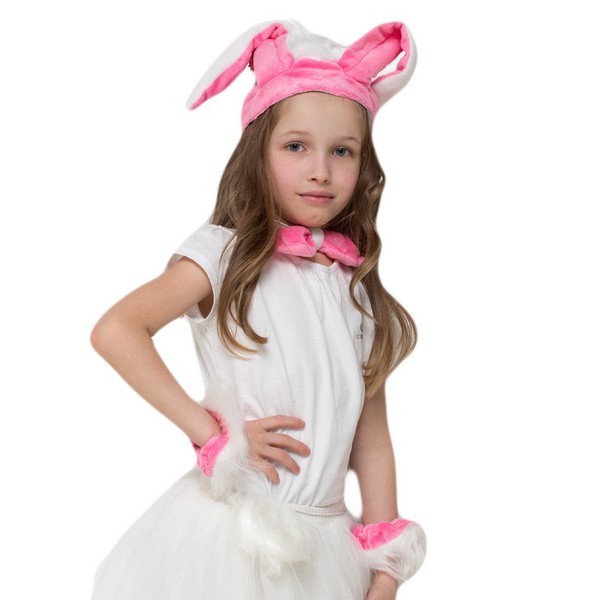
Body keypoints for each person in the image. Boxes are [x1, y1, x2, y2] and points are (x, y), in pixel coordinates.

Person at [89, 20, 426, 600]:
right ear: (258, 152)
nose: (320, 170)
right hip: (234, 540)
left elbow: (371, 438)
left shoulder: (355, 285)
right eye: (296, 146)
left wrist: (385, 570)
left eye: (342, 151)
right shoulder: (222, 256)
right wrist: (214, 436)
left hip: (327, 551)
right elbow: (117, 330)